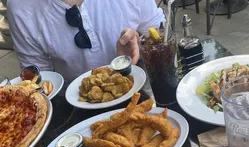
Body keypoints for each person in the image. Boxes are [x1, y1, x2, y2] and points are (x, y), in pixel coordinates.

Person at [7, 0, 164, 83]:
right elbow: (37, 80)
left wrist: (142, 43)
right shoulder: (21, 7)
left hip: (143, 88)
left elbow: (160, 32)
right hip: (76, 111)